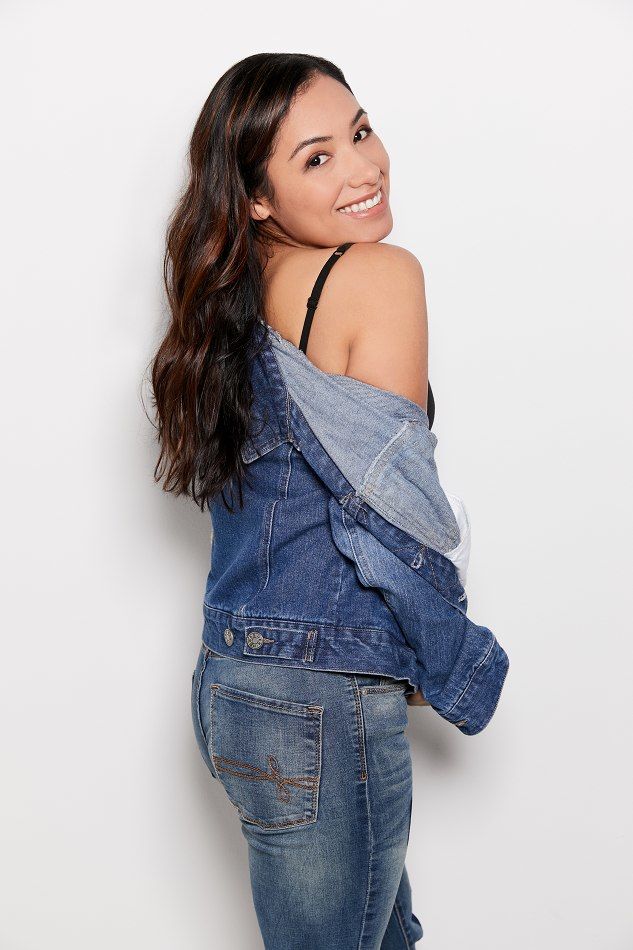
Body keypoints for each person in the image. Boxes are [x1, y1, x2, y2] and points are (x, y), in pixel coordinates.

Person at [149, 53, 509, 949]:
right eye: (316, 158)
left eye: (360, 132)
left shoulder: (226, 309)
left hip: (235, 684)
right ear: (255, 197)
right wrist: (447, 657)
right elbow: (393, 518)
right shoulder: (376, 274)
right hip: (319, 698)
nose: (362, 167)